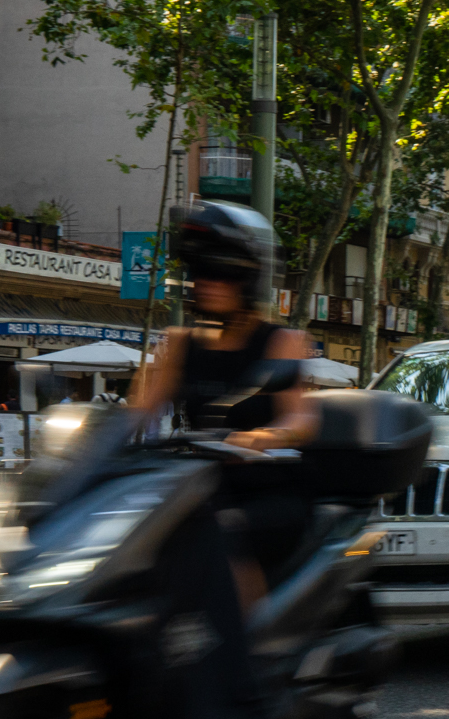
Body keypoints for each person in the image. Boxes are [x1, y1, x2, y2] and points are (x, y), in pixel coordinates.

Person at [131, 200, 317, 608]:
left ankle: (248, 650)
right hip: (196, 490)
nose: (206, 281)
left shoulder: (280, 342)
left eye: (220, 271)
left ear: (248, 277)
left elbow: (302, 418)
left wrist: (264, 437)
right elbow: (134, 413)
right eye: (199, 270)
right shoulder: (178, 344)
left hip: (265, 492)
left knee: (220, 534)